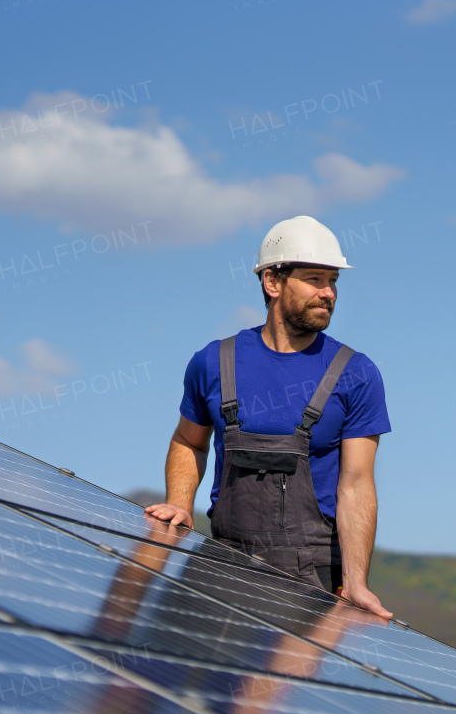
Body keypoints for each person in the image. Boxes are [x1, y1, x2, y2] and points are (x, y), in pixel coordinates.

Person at [145, 216, 392, 619]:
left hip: (311, 578)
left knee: (281, 684)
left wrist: (356, 583)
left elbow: (357, 485)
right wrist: (180, 503)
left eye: (333, 281)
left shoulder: (356, 373)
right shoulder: (213, 362)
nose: (328, 293)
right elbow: (189, 441)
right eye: (314, 279)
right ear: (273, 282)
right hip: (222, 562)